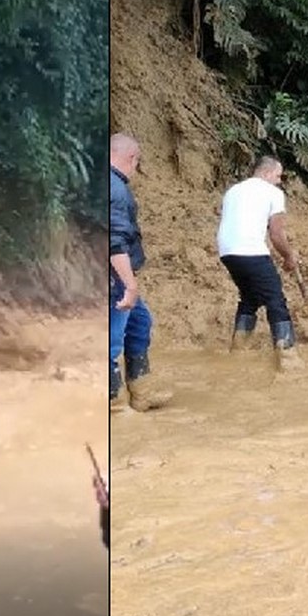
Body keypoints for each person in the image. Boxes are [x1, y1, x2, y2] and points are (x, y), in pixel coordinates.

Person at [216, 156, 304, 369]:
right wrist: (289, 256)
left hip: (227, 252)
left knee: (249, 297)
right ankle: (288, 357)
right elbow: (276, 234)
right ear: (266, 173)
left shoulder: (234, 191)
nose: (279, 180)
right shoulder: (273, 193)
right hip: (250, 250)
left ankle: (238, 350)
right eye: (277, 175)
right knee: (275, 299)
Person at [109, 133, 172, 412]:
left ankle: (142, 392)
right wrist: (129, 285)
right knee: (111, 340)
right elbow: (114, 241)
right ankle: (114, 407)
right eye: (137, 162)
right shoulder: (117, 189)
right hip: (113, 276)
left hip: (112, 273)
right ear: (131, 158)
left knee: (140, 322)